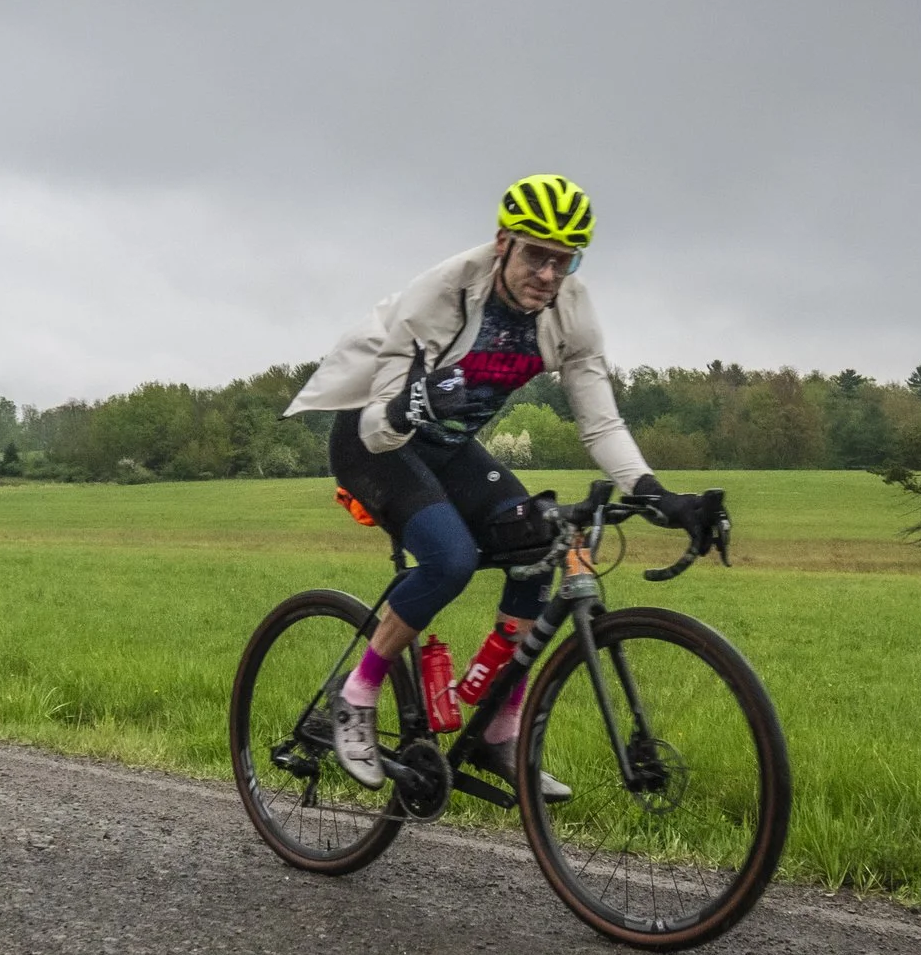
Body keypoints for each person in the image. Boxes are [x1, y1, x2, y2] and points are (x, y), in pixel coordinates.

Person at [284, 175, 714, 798]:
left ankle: (497, 730)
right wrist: (420, 399)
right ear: (502, 243)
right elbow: (378, 428)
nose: (548, 273)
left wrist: (657, 493)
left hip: (451, 445)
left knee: (537, 547)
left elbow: (600, 421)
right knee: (450, 559)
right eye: (536, 254)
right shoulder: (441, 295)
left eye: (563, 261)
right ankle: (355, 696)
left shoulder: (570, 310)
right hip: (374, 440)